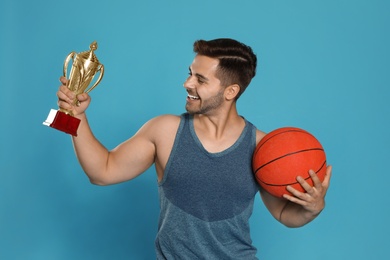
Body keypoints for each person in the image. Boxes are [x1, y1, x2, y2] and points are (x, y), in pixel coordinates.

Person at [57, 38, 332, 259]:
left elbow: (285, 214)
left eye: (201, 79)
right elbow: (101, 172)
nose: (187, 83)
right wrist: (75, 117)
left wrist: (313, 207)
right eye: (190, 74)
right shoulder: (164, 131)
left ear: (230, 91)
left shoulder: (262, 147)